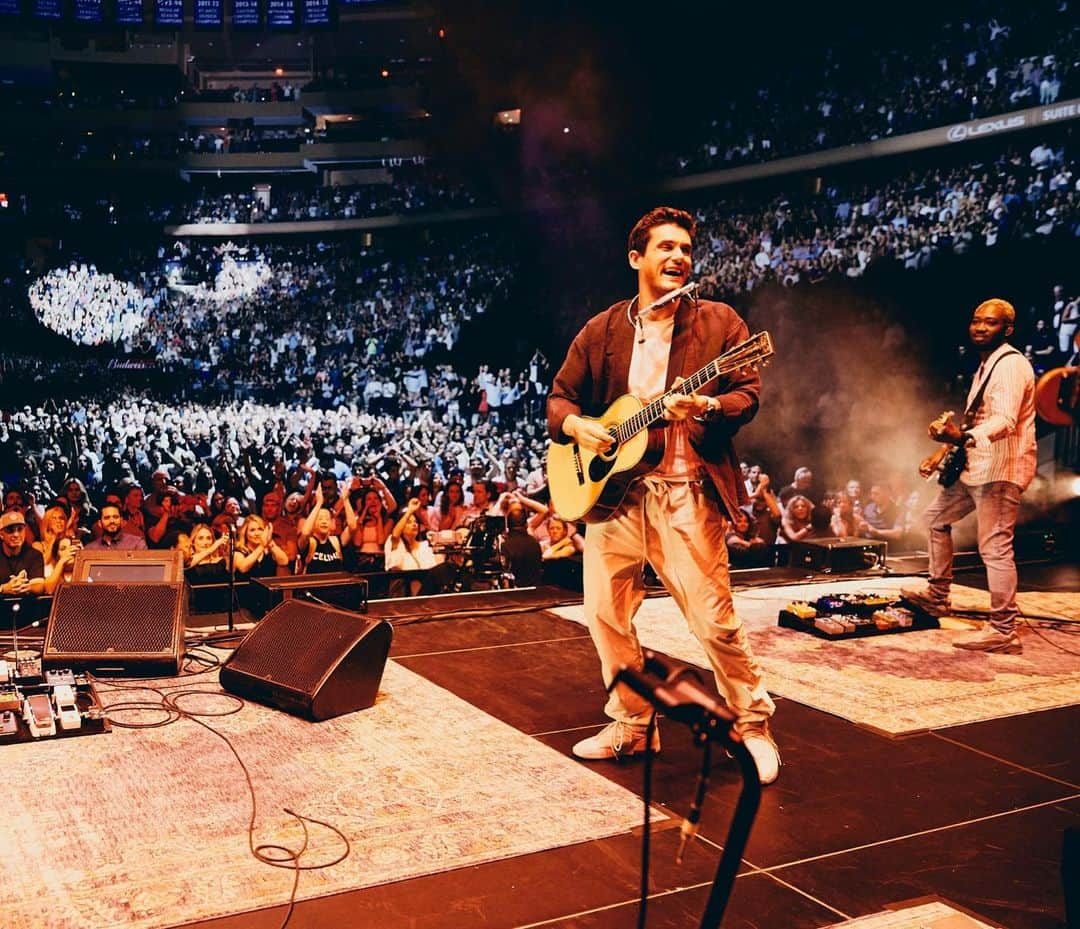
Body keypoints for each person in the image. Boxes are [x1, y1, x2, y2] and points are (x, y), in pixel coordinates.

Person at [546, 206, 779, 784]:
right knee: (603, 614)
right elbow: (560, 399)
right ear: (637, 258)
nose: (678, 257)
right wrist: (579, 427)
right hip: (614, 499)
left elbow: (747, 393)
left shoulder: (720, 323)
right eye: (665, 248)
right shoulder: (602, 330)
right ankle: (632, 722)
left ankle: (752, 726)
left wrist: (706, 405)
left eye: (685, 250)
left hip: (685, 494)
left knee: (714, 621)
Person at [903, 298, 1036, 654]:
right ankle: (937, 595)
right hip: (976, 466)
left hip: (1000, 469)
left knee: (994, 547)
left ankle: (1003, 629)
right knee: (934, 519)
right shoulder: (986, 365)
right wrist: (943, 451)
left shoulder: (1009, 366)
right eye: (976, 321)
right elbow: (976, 421)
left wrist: (959, 438)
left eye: (989, 323)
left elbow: (1005, 421)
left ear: (1007, 329)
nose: (979, 327)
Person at [0, 508, 46, 597]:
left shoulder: (34, 555)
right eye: (10, 530)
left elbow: (39, 585)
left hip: (25, 606)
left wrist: (25, 587)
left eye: (20, 529)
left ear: (25, 531)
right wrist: (3, 588)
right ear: (1, 535)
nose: (16, 535)